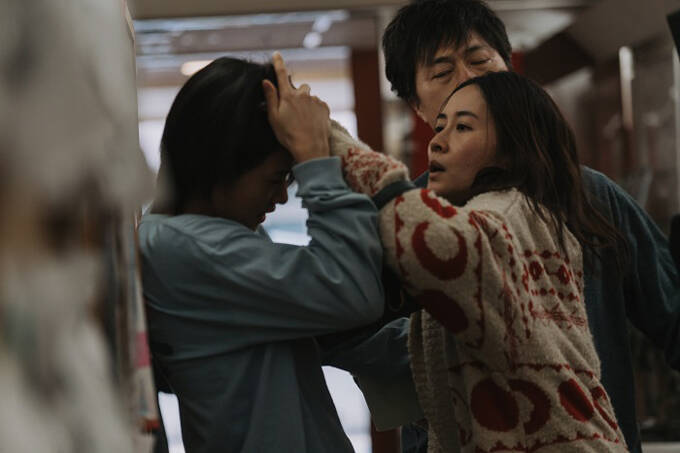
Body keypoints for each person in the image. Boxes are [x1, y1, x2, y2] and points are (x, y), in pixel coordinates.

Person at [380, 1, 680, 451]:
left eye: (480, 60)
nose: (469, 79)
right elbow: (360, 340)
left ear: (510, 69)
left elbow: (673, 315)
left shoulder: (590, 196)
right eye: (442, 73)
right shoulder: (408, 220)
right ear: (417, 107)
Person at [328, 69, 629, 452]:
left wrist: (330, 142)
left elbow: (436, 245)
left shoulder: (508, 212)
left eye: (463, 127)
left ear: (512, 146)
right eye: (440, 126)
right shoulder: (529, 220)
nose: (437, 142)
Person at [138, 55, 420, 453]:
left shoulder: (208, 239)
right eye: (275, 179)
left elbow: (327, 325)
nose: (282, 196)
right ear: (220, 164)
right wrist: (316, 160)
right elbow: (352, 291)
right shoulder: (179, 247)